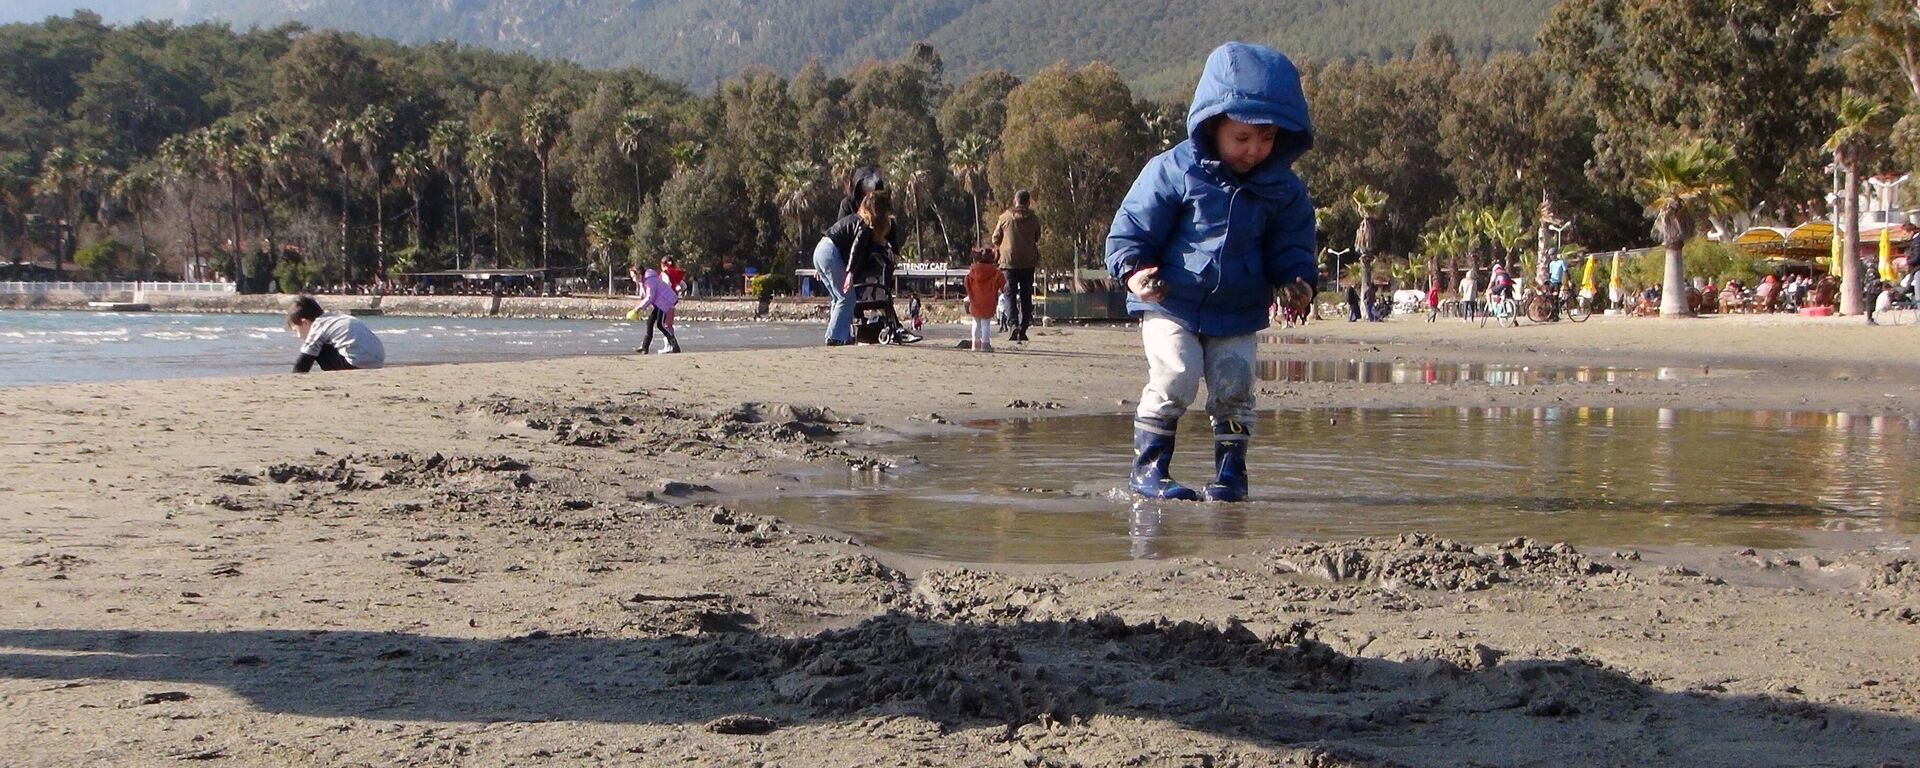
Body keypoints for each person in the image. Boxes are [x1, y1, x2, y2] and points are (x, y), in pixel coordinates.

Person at [1105, 41, 1316, 503]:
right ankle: (1150, 470)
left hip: (1238, 310)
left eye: (1267, 138)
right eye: (1242, 138)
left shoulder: (1284, 189)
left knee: (1234, 387)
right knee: (1176, 375)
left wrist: (1297, 281)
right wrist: (1133, 272)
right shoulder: (1173, 170)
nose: (1254, 150)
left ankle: (1230, 476)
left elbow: (1292, 245)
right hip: (1171, 303)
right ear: (1213, 123)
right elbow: (1132, 227)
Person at [814, 189, 903, 346]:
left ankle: (839, 336)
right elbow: (857, 248)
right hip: (830, 251)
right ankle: (835, 337)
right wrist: (850, 273)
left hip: (821, 249)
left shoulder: (856, 219)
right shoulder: (864, 224)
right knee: (847, 298)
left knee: (838, 298)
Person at [286, 294, 384, 373]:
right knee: (320, 344)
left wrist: (296, 375)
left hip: (356, 363)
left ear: (305, 323)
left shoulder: (318, 324)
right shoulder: (335, 318)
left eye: (296, 331)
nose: (298, 336)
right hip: (377, 362)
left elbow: (303, 362)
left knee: (314, 348)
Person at [992, 190, 1042, 341]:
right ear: (1028, 202)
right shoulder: (1034, 219)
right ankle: (1024, 327)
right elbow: (1037, 237)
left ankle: (1013, 325)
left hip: (1008, 262)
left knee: (1009, 295)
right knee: (1026, 296)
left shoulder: (1005, 217)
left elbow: (995, 238)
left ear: (1015, 200)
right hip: (1028, 262)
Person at [631, 266, 680, 354]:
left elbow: (650, 296)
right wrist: (640, 285)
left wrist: (639, 307)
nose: (633, 279)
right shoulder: (644, 281)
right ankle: (645, 347)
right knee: (650, 322)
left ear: (639, 274)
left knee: (660, 325)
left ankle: (674, 345)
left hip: (666, 301)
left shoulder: (650, 280)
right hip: (660, 303)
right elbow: (644, 295)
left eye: (633, 276)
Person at [965, 248, 1006, 352]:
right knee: (985, 323)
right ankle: (985, 344)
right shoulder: (995, 272)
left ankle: (975, 344)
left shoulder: (972, 271)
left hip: (975, 300)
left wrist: (970, 293)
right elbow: (1004, 285)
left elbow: (966, 282)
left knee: (976, 322)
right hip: (988, 301)